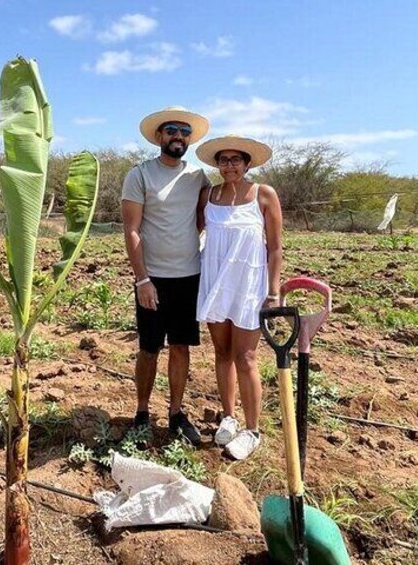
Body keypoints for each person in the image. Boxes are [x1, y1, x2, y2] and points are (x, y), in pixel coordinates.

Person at [121, 106, 212, 445]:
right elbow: (131, 230)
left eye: (184, 131)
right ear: (159, 137)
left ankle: (175, 413)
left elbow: (204, 216)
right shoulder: (140, 175)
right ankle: (142, 412)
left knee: (181, 346)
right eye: (172, 130)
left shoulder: (198, 176)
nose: (178, 136)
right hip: (153, 279)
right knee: (148, 348)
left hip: (189, 275)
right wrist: (142, 279)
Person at [195, 134, 283, 460]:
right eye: (223, 160)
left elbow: (275, 248)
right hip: (216, 282)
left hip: (249, 285)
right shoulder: (209, 195)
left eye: (235, 160)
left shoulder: (263, 195)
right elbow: (194, 233)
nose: (229, 165)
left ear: (247, 164)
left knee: (245, 357)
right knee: (221, 352)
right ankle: (228, 416)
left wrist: (273, 293)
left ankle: (252, 429)